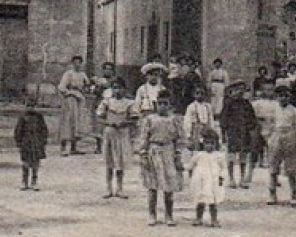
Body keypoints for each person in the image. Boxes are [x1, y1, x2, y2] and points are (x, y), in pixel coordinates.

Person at [138, 93, 185, 226]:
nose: (163, 106)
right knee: (152, 186)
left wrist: (177, 155)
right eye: (160, 103)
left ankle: (169, 215)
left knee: (169, 186)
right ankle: (152, 214)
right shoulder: (149, 119)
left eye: (165, 103)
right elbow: (144, 138)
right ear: (155, 104)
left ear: (170, 105)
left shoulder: (174, 120)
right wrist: (143, 154)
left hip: (168, 152)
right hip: (154, 151)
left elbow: (180, 139)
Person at [265, 85, 296, 206]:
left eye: (285, 96)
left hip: (289, 136)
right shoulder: (273, 109)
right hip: (276, 136)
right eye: (280, 96)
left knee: (291, 169)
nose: (283, 98)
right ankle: (272, 194)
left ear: (289, 97)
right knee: (273, 167)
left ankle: (294, 194)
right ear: (277, 97)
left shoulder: (294, 111)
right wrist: (269, 139)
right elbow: (269, 125)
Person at [97, 78, 136, 198]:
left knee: (120, 162)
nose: (117, 90)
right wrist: (108, 122)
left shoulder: (129, 103)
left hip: (122, 134)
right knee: (109, 162)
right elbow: (99, 117)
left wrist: (124, 123)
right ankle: (108, 188)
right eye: (115, 87)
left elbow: (134, 119)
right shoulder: (107, 102)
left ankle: (120, 188)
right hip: (110, 133)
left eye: (120, 87)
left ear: (124, 89)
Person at [221, 81, 259, 188]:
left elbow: (252, 119)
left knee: (243, 156)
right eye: (238, 89)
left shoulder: (247, 104)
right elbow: (223, 120)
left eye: (243, 89)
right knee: (231, 156)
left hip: (244, 133)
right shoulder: (229, 104)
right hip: (232, 132)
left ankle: (242, 178)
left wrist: (252, 132)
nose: (240, 91)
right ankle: (231, 178)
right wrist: (223, 134)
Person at [188, 127, 228, 227]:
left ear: (216, 144)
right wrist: (190, 174)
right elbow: (190, 165)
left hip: (213, 181)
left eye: (212, 143)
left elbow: (224, 168)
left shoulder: (219, 155)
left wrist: (221, 177)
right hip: (201, 180)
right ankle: (198, 218)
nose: (209, 146)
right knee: (200, 200)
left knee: (212, 201)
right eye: (207, 143)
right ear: (203, 144)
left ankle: (214, 219)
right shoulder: (199, 155)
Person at [57, 56, 91, 155]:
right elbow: (61, 87)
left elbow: (87, 86)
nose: (77, 65)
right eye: (75, 63)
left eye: (79, 63)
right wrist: (69, 92)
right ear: (72, 63)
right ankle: (63, 147)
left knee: (77, 122)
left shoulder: (83, 74)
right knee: (68, 121)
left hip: (79, 100)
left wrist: (86, 88)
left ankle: (74, 147)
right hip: (70, 100)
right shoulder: (68, 74)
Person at [13, 99, 49, 190]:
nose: (30, 108)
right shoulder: (22, 117)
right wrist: (19, 142)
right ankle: (24, 181)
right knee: (25, 163)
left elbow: (44, 130)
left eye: (32, 106)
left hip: (37, 143)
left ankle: (34, 181)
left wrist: (43, 141)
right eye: (28, 106)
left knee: (35, 163)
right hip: (26, 143)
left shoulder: (39, 117)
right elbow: (18, 131)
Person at [182, 84, 218, 149]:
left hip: (206, 130)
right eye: (197, 93)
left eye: (202, 93)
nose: (200, 95)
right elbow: (187, 121)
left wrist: (212, 130)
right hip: (196, 130)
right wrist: (188, 135)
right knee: (196, 149)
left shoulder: (208, 106)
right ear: (194, 94)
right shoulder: (191, 106)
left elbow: (211, 119)